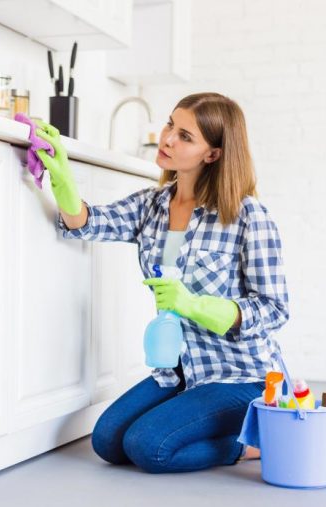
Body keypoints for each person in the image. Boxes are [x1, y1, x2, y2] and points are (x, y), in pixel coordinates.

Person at [34, 92, 289, 473]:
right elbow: (88, 223)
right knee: (107, 441)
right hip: (180, 370)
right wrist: (61, 174)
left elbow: (274, 309)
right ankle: (206, 422)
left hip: (242, 375)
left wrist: (194, 305)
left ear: (213, 154)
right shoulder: (152, 205)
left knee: (148, 446)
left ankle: (254, 444)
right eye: (171, 124)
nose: (167, 139)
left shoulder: (247, 215)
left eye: (185, 136)